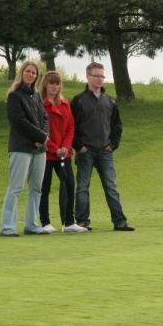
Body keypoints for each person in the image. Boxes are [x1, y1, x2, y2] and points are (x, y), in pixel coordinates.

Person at [71, 62, 135, 231]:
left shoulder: (110, 101)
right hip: (85, 151)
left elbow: (117, 126)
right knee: (82, 188)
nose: (99, 79)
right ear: (88, 76)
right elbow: (71, 127)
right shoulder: (78, 100)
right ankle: (82, 222)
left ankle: (120, 221)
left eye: (102, 76)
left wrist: (113, 145)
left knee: (111, 187)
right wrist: (78, 146)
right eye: (96, 75)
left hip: (105, 152)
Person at [0, 60, 50, 236]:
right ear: (21, 73)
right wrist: (40, 137)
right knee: (16, 187)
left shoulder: (36, 95)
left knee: (36, 188)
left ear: (36, 76)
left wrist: (43, 137)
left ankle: (32, 225)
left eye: (34, 73)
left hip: (39, 149)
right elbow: (19, 122)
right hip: (21, 147)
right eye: (28, 71)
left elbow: (44, 118)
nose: (30, 75)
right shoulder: (14, 96)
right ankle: (7, 227)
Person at [37, 71, 87, 233]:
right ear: (45, 84)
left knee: (70, 184)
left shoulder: (65, 103)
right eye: (51, 83)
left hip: (64, 154)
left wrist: (65, 146)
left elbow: (71, 128)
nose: (54, 86)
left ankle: (69, 222)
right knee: (44, 187)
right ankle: (45, 222)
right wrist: (54, 148)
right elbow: (40, 130)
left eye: (57, 83)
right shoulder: (39, 104)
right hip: (47, 153)